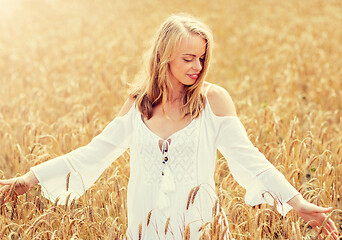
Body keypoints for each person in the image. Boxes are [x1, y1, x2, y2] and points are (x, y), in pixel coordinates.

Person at [0, 14, 339, 240]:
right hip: (145, 229)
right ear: (164, 56)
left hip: (200, 228)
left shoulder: (212, 101)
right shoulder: (138, 104)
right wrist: (29, 178)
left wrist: (298, 203)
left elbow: (251, 160)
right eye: (188, 58)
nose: (198, 66)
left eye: (202, 58)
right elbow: (95, 153)